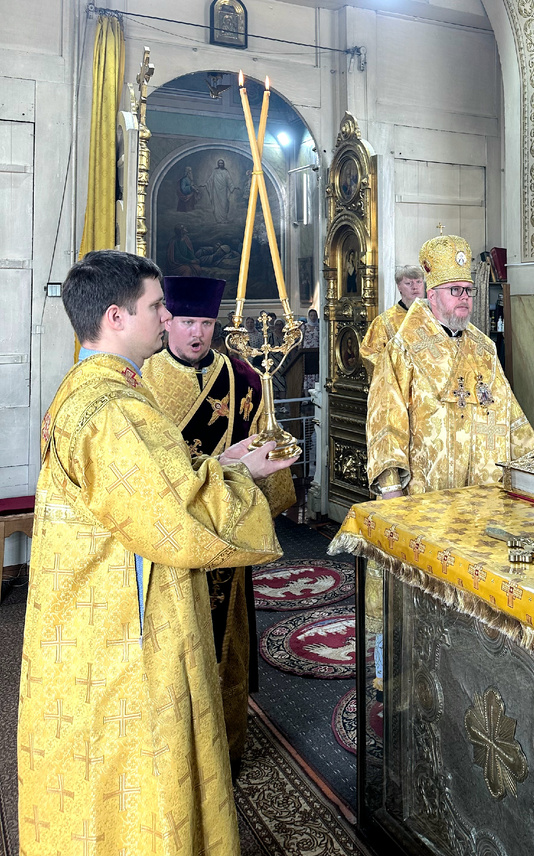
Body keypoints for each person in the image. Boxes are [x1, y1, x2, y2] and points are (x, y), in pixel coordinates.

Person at [18, 250, 298, 856]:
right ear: (116, 317)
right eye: (157, 307)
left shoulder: (87, 387)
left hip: (97, 601)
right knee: (135, 760)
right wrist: (245, 476)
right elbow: (177, 517)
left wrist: (221, 463)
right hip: (126, 622)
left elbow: (153, 488)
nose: (168, 318)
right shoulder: (115, 410)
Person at [141, 277, 295, 769]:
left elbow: (262, 446)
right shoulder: (143, 381)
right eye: (187, 321)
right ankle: (179, 754)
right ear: (167, 322)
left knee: (227, 640)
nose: (197, 333)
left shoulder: (242, 378)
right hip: (174, 535)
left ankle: (226, 748)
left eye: (206, 323)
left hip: (228, 531)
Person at [366, 232, 534, 497]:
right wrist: (391, 490)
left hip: (485, 489)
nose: (464, 297)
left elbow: (508, 410)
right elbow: (386, 420)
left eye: (468, 290)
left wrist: (528, 474)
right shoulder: (403, 348)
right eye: (455, 290)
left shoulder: (485, 348)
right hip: (427, 493)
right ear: (432, 295)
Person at [359, 263, 425, 374]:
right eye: (408, 283)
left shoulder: (434, 316)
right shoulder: (384, 321)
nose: (415, 287)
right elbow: (368, 354)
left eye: (419, 282)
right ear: (399, 287)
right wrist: (398, 369)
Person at [203, 157, 236, 223]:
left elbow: (229, 180)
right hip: (216, 191)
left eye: (221, 163)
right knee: (217, 205)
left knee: (224, 204)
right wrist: (206, 184)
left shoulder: (225, 172)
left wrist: (232, 187)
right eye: (219, 163)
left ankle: (224, 218)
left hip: (223, 191)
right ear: (218, 164)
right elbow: (210, 180)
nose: (220, 164)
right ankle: (218, 219)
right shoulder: (215, 171)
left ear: (223, 164)